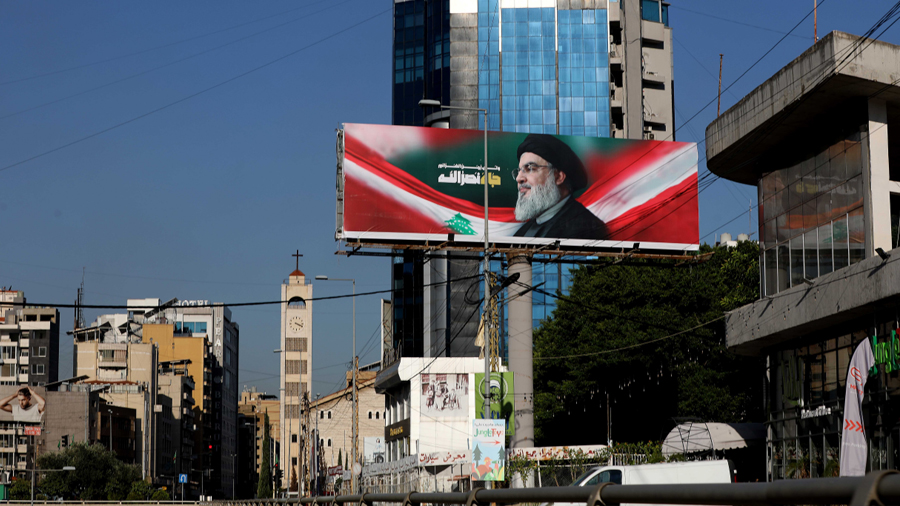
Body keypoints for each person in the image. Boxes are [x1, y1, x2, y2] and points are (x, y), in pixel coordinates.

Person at [512, 134, 608, 240]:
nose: (519, 178)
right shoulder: (523, 231)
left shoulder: (589, 228)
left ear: (558, 177)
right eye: (519, 170)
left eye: (530, 168)